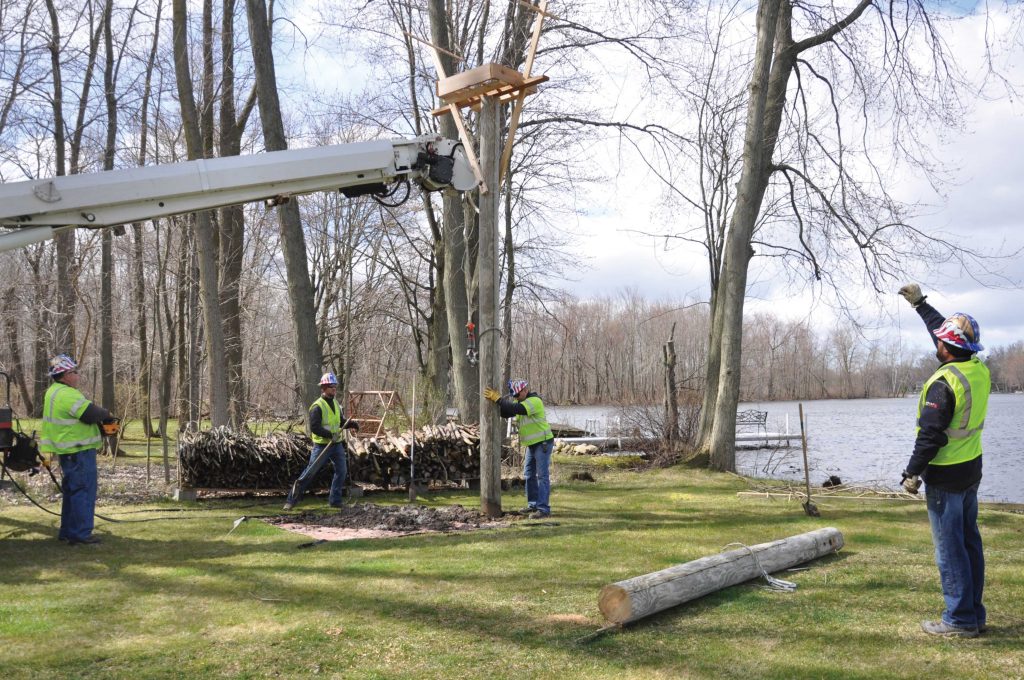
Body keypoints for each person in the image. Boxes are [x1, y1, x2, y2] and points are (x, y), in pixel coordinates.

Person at [898, 283, 990, 638]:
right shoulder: (977, 369)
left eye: (940, 339)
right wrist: (921, 304)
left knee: (950, 551)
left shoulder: (943, 384)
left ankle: (959, 620)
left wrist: (911, 473)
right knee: (969, 544)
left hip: (946, 477)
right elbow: (944, 332)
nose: (936, 341)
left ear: (946, 348)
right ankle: (973, 614)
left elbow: (931, 437)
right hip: (971, 471)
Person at [40, 354, 114, 545]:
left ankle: (68, 531)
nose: (78, 375)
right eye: (74, 372)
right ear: (64, 375)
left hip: (68, 451)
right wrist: (106, 414)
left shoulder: (53, 391)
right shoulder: (68, 394)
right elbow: (89, 414)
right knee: (83, 491)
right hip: (79, 451)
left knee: (72, 491)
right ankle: (81, 534)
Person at [283, 372, 358, 511]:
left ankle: (335, 501)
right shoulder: (317, 406)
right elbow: (315, 428)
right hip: (322, 446)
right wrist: (330, 435)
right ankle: (291, 500)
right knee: (309, 473)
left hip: (336, 446)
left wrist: (351, 424)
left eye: (335, 386)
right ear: (323, 388)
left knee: (341, 471)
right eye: (331, 387)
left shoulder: (336, 403)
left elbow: (340, 422)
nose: (334, 389)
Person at [484, 379, 554, 519]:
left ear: (525, 390)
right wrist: (495, 403)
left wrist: (498, 399)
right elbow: (506, 412)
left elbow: (516, 409)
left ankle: (543, 509)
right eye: (514, 396)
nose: (515, 398)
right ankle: (533, 505)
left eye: (517, 395)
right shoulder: (519, 402)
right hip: (532, 444)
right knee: (528, 474)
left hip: (543, 443)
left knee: (542, 476)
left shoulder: (534, 401)